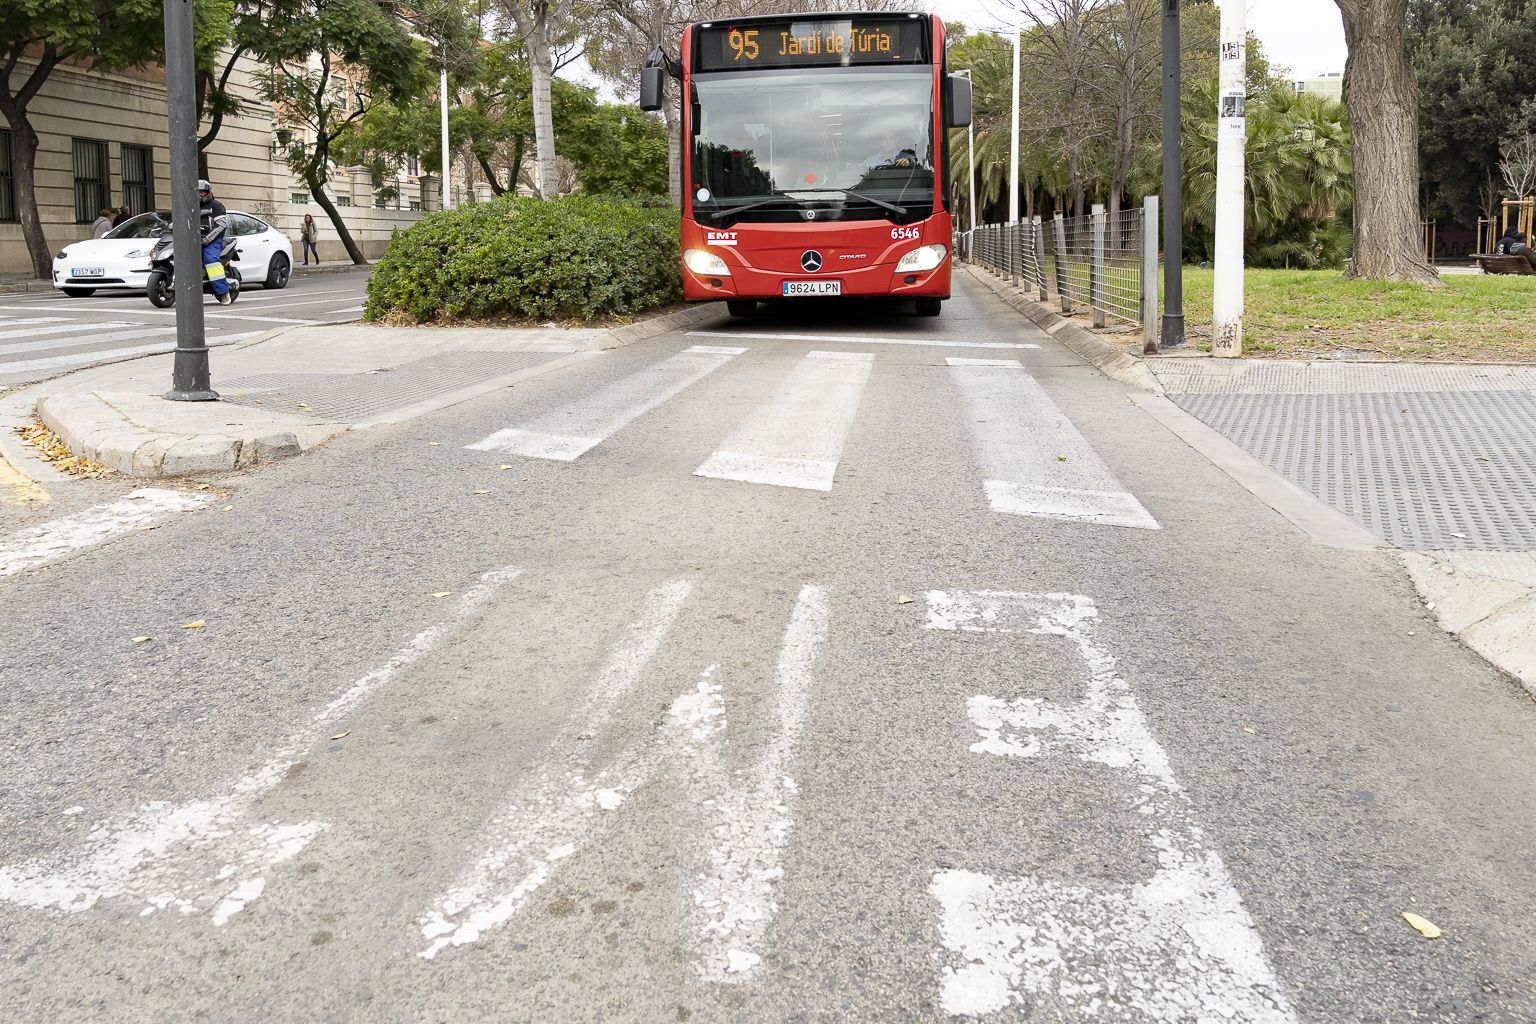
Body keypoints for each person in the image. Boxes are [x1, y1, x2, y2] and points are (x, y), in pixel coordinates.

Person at [197, 179, 233, 304]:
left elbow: (221, 225)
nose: (200, 195)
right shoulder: (190, 206)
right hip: (193, 240)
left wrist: (207, 239)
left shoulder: (216, 206)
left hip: (211, 240)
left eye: (202, 192)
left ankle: (223, 293)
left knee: (211, 261)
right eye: (197, 192)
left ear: (208, 192)